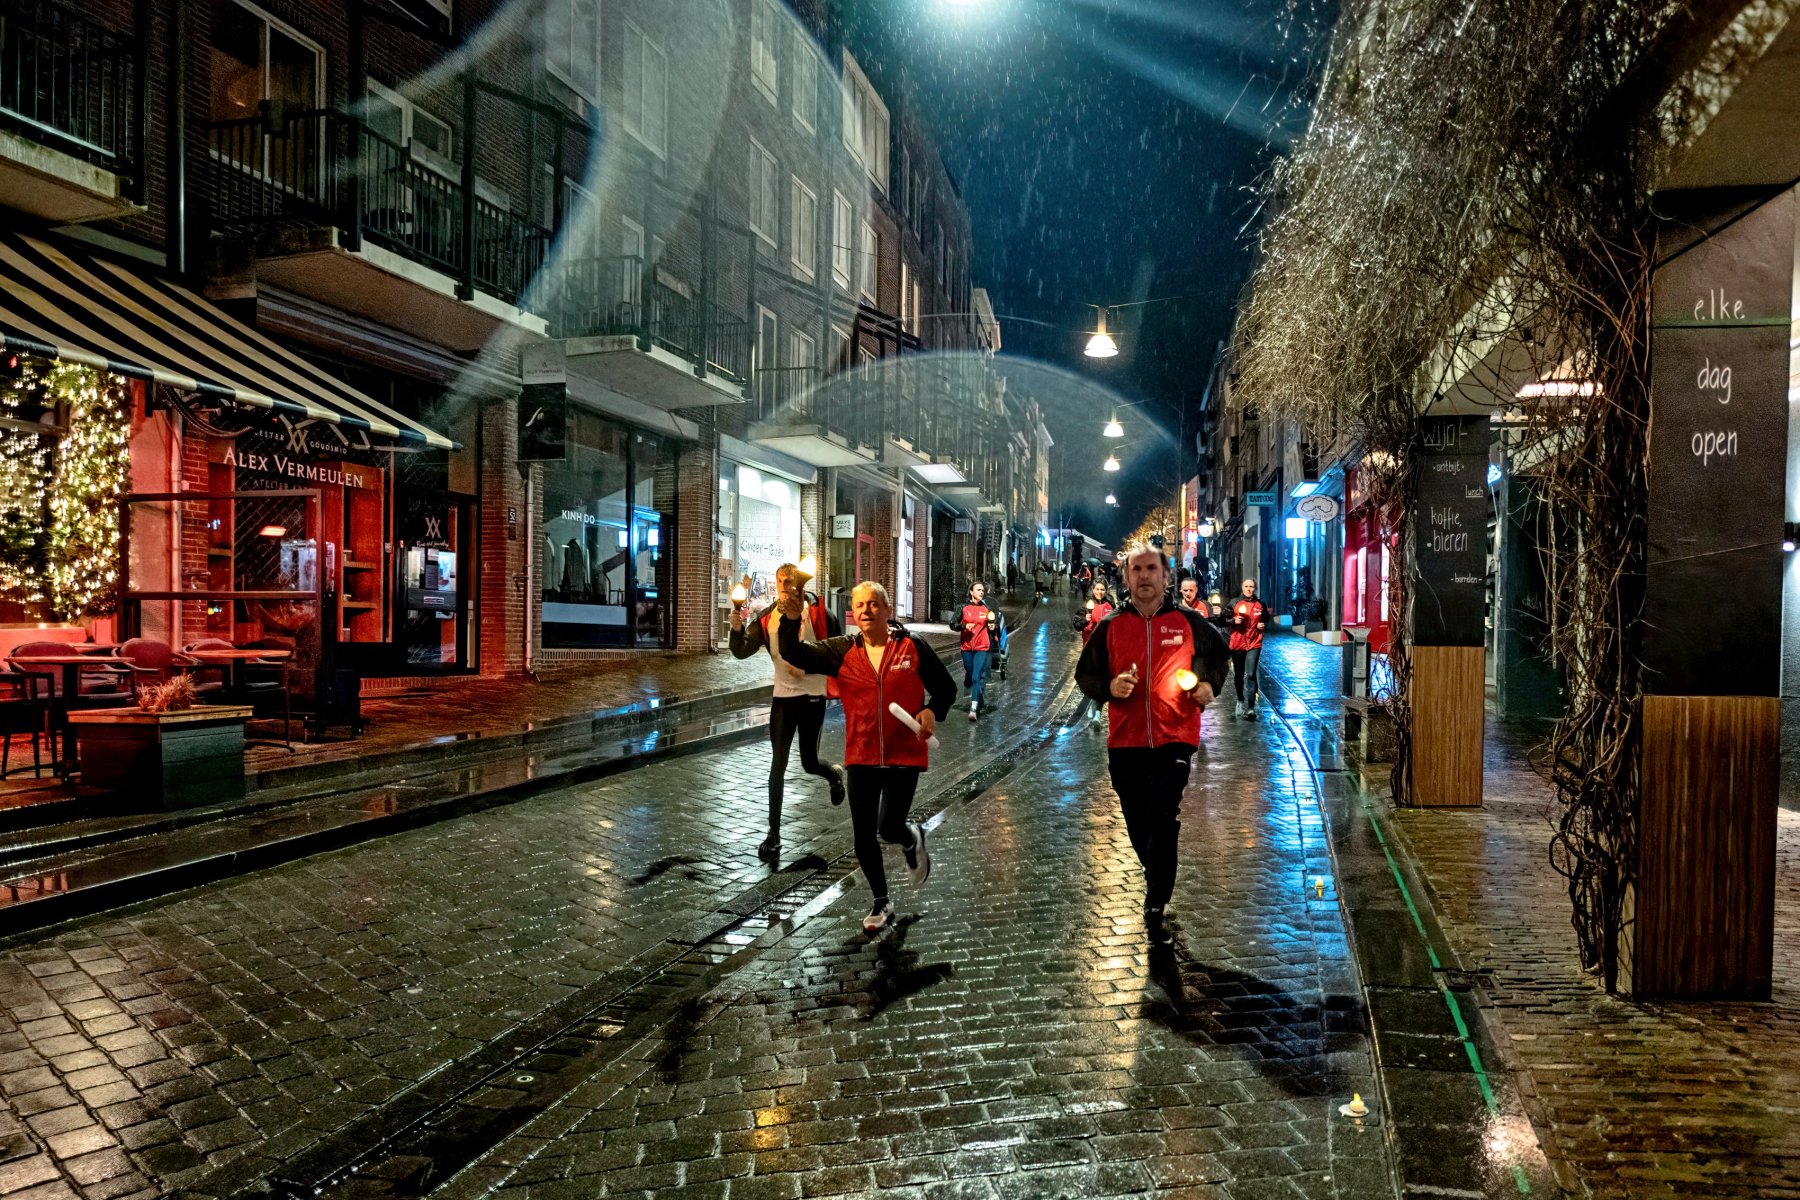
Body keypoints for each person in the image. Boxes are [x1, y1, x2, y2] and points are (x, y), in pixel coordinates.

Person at [778, 582, 957, 934]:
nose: (865, 611)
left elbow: (946, 689)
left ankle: (910, 838)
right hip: (860, 753)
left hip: (904, 752)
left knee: (888, 826)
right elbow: (795, 653)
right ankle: (880, 901)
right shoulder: (843, 650)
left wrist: (931, 711)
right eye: (859, 605)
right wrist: (790, 616)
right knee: (863, 835)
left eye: (874, 604)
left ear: (887, 610)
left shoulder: (912, 646)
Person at [1076, 545, 1228, 944]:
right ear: (1126, 578)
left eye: (1151, 569)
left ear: (1166, 577)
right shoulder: (1110, 625)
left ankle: (1156, 900)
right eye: (1136, 570)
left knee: (1163, 816)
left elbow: (1218, 655)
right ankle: (1156, 870)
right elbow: (1085, 675)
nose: (1144, 576)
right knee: (1137, 821)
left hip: (1174, 737)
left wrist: (1209, 684)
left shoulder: (1188, 622)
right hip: (1124, 742)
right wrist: (1108, 687)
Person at [730, 563, 848, 858]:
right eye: (780, 580)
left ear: (799, 584)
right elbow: (742, 650)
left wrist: (817, 672)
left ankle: (833, 773)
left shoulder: (819, 612)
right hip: (782, 698)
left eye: (790, 580)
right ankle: (773, 833)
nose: (784, 585)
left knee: (809, 763)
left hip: (812, 697)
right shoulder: (768, 617)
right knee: (778, 764)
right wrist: (735, 629)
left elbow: (839, 650)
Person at [1068, 579, 1114, 726]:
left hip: (1105, 650)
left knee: (1101, 681)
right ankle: (1091, 702)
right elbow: (1077, 625)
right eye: (1097, 589)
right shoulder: (1087, 606)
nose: (1100, 592)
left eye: (1102, 589)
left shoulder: (1110, 606)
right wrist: (1085, 621)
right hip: (1089, 650)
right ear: (1092, 590)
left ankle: (1098, 715)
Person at [1227, 577, 1274, 720]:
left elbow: (1266, 619)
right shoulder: (1234, 603)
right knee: (1239, 674)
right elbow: (1223, 620)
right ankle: (1240, 700)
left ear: (1255, 588)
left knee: (1251, 673)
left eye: (1251, 586)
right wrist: (1233, 621)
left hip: (1254, 643)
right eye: (1246, 586)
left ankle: (1251, 706)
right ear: (1242, 588)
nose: (1249, 589)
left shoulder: (1260, 604)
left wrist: (1264, 625)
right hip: (1238, 643)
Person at [959, 581, 995, 721]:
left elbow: (993, 622)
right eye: (978, 590)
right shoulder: (963, 607)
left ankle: (973, 709)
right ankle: (977, 693)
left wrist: (992, 626)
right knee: (969, 673)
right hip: (966, 647)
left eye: (983, 590)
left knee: (976, 676)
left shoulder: (987, 608)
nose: (981, 592)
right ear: (971, 592)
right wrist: (964, 625)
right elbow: (953, 624)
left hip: (982, 646)